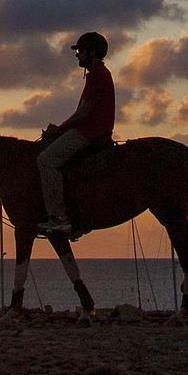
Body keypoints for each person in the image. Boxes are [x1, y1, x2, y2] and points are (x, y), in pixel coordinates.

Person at [36, 31, 115, 236]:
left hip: (89, 132)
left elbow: (83, 113)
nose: (77, 55)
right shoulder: (99, 74)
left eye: (80, 51)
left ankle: (59, 217)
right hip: (91, 130)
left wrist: (59, 130)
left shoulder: (97, 75)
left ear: (91, 52)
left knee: (46, 160)